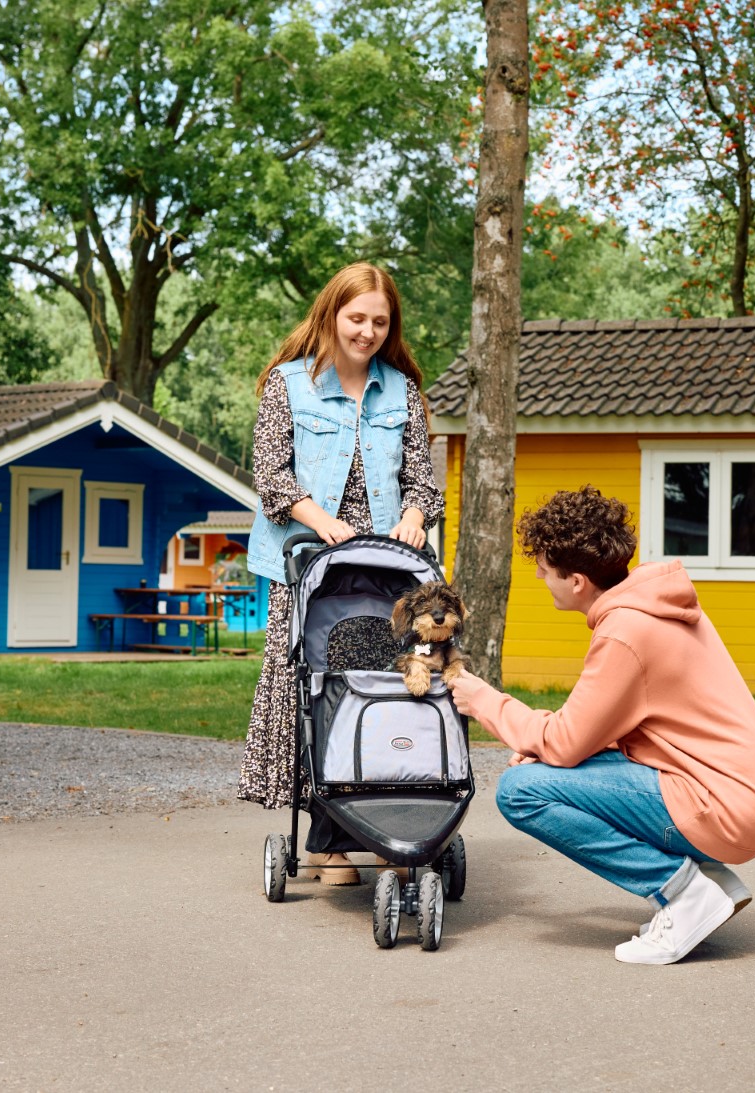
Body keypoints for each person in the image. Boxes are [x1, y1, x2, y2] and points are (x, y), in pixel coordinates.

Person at [446, 486, 755, 964]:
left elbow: (566, 743)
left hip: (721, 804)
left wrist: (483, 699)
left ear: (579, 581)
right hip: (744, 793)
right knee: (543, 769)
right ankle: (709, 881)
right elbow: (600, 728)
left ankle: (684, 893)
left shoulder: (626, 631)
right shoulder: (654, 606)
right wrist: (549, 750)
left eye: (545, 570)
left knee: (521, 790)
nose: (542, 578)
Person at [238, 262, 444, 885]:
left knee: (384, 691)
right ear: (331, 315)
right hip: (308, 561)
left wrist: (414, 514)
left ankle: (385, 824)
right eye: (357, 318)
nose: (368, 332)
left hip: (386, 566)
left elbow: (422, 479)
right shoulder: (288, 385)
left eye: (381, 322)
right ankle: (327, 841)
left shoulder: (402, 391)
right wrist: (320, 522)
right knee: (314, 686)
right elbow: (272, 474)